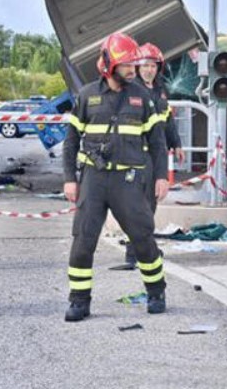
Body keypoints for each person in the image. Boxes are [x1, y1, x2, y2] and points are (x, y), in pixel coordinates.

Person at [62, 32, 170, 321]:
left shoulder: (142, 96)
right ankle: (79, 301)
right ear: (109, 65)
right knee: (83, 242)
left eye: (134, 65)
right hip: (93, 181)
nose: (133, 70)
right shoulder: (86, 96)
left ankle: (156, 290)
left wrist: (162, 176)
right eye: (127, 65)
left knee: (143, 238)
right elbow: (71, 141)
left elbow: (158, 141)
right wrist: (69, 179)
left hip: (129, 181)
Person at [115, 42, 184, 270]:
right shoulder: (128, 89)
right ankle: (133, 252)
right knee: (135, 205)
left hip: (155, 156)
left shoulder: (160, 91)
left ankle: (142, 248)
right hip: (134, 156)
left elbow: (168, 121)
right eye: (144, 66)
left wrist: (177, 143)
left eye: (153, 66)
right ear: (137, 67)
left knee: (149, 205)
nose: (149, 70)